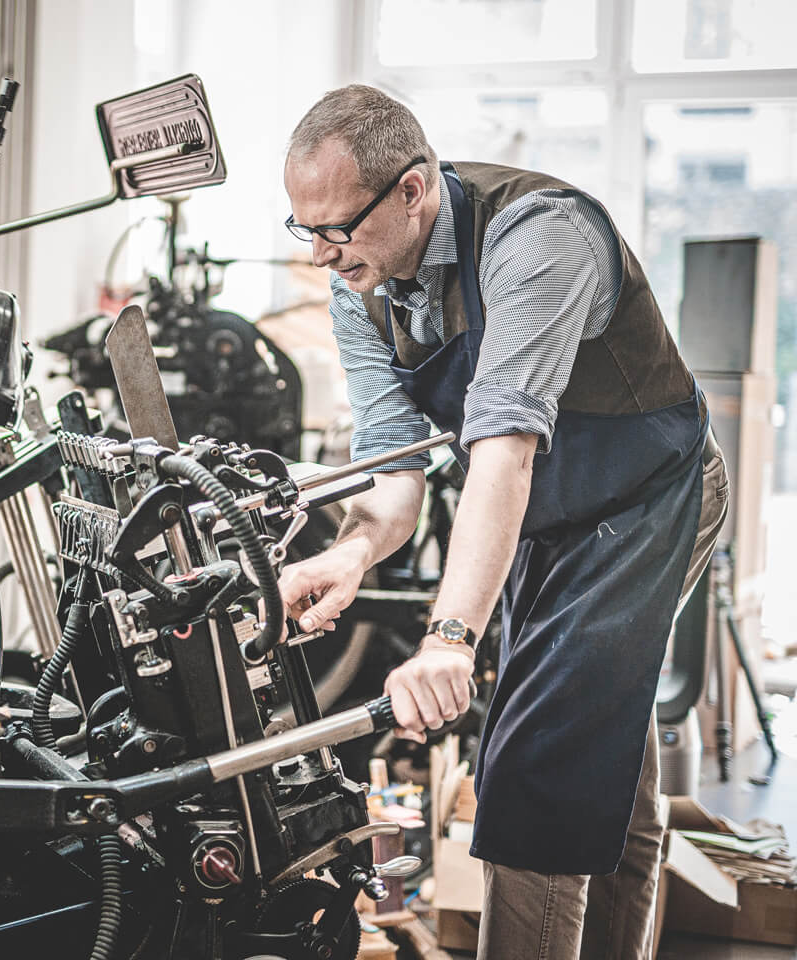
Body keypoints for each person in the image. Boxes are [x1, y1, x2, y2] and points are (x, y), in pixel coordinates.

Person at [278, 84, 728, 959]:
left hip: (647, 499)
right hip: (550, 515)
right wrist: (354, 552)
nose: (325, 256)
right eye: (307, 230)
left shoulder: (537, 238)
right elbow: (397, 465)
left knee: (537, 766)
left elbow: (505, 452)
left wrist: (451, 637)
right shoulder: (361, 287)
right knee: (595, 732)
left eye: (339, 228)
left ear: (413, 189)